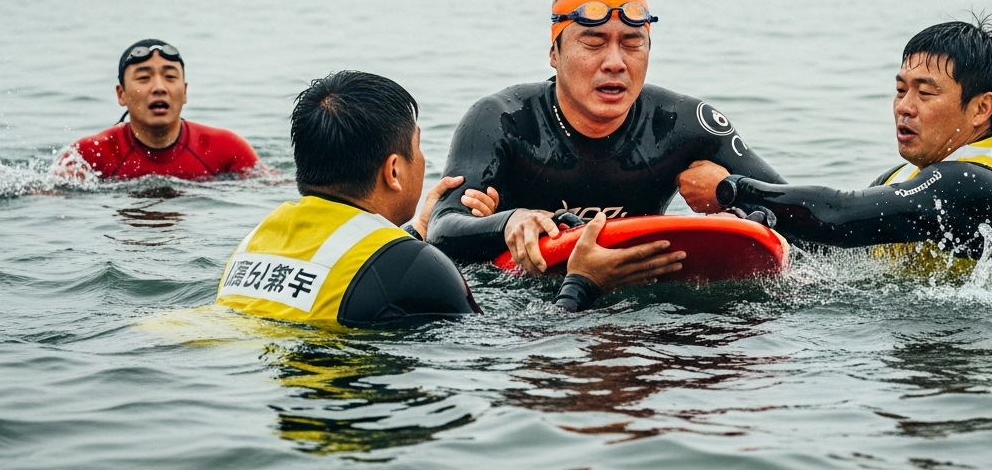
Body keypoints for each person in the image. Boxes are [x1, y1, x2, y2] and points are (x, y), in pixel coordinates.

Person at [215, 70, 686, 326]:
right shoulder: (412, 267)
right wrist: (584, 283)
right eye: (419, 148)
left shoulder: (261, 235)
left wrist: (410, 233)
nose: (424, 162)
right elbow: (514, 349)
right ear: (394, 171)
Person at [425, 0, 786, 273]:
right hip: (531, 303)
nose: (615, 62)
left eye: (632, 43)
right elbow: (441, 227)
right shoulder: (502, 121)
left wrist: (733, 192)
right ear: (554, 53)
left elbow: (806, 216)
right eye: (593, 42)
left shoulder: (685, 125)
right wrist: (508, 222)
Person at [711, 20, 992, 293]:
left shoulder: (977, 183)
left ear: (980, 108)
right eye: (901, 89)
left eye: (925, 93)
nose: (904, 107)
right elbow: (829, 245)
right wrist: (741, 223)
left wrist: (734, 188)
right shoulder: (901, 179)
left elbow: (838, 215)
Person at [60, 39, 259, 181]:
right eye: (143, 78)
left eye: (170, 77)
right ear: (121, 95)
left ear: (185, 92)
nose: (159, 87)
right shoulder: (88, 155)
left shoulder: (228, 149)